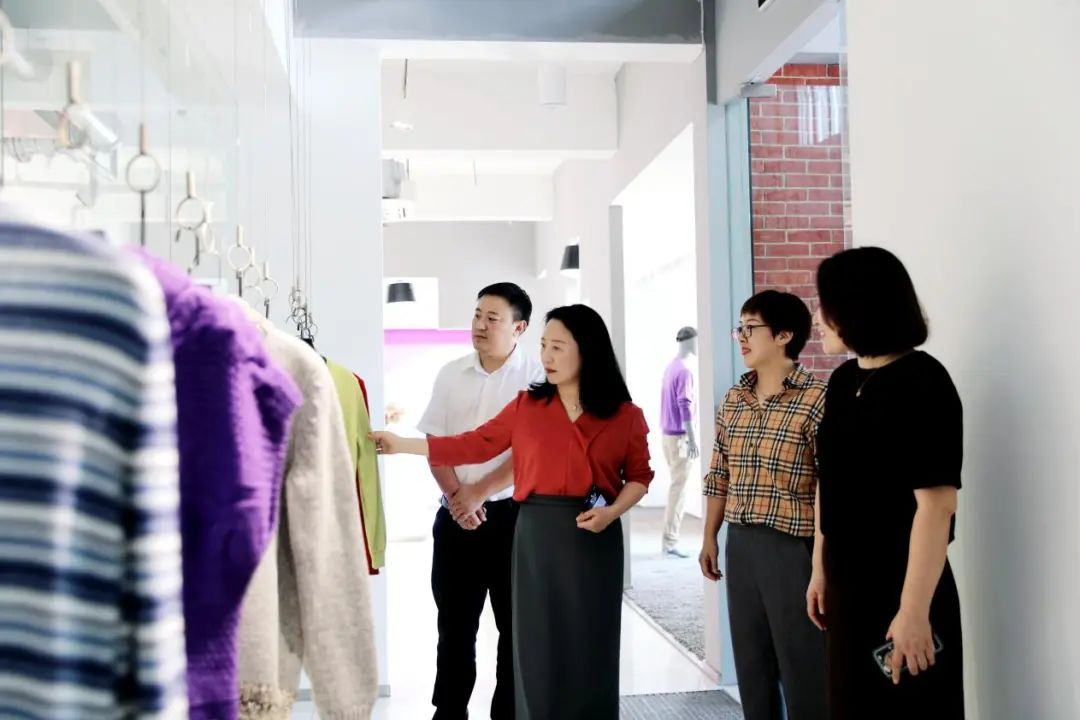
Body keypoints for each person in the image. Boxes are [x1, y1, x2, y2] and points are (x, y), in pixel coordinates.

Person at [372, 304, 653, 720]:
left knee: (591, 641)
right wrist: (402, 445)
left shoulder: (625, 416)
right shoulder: (527, 407)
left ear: (587, 351)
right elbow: (473, 444)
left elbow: (640, 477)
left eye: (558, 347)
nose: (546, 357)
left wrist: (612, 513)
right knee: (535, 644)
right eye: (543, 345)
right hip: (536, 534)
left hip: (596, 539)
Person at [809, 247, 964, 719]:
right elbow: (829, 480)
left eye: (825, 305)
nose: (818, 317)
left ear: (856, 308)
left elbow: (937, 506)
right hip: (846, 585)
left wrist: (914, 610)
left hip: (905, 585)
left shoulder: (924, 382)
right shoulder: (842, 381)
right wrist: (819, 567)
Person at [415, 283, 544, 720]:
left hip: (515, 520)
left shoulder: (538, 380)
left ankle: (508, 713)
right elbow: (435, 443)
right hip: (455, 519)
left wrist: (478, 492)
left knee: (515, 628)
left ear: (519, 327)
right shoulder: (451, 374)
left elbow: (533, 454)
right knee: (454, 626)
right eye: (476, 315)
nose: (480, 325)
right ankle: (449, 711)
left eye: (493, 318)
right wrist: (458, 498)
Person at [698, 290, 828, 720]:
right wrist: (710, 536)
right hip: (741, 545)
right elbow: (719, 473)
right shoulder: (733, 400)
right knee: (752, 668)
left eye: (750, 328)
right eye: (739, 328)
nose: (741, 337)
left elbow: (827, 489)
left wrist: (821, 565)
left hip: (793, 548)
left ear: (784, 335)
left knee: (804, 668)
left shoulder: (817, 400)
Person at [659, 326, 700, 558]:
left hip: (668, 436)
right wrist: (692, 440)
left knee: (676, 487)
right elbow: (685, 406)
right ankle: (670, 542)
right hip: (680, 438)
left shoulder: (671, 367)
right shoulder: (684, 371)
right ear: (689, 341)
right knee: (679, 490)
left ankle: (669, 541)